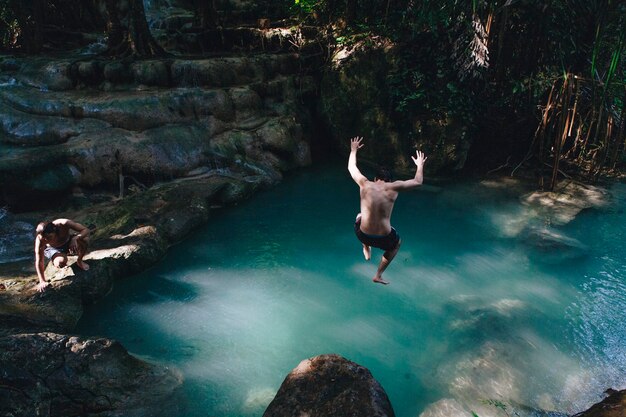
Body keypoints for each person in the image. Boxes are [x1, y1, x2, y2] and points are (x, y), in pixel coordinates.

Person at [348, 136, 427, 285]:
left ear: (375, 177)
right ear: (389, 181)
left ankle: (366, 247)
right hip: (383, 238)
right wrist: (419, 165)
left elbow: (351, 168)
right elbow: (418, 181)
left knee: (360, 215)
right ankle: (378, 275)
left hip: (361, 234)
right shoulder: (394, 187)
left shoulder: (364, 183)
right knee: (397, 244)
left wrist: (353, 150)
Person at [34, 218, 91, 292]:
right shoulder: (40, 239)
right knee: (60, 262)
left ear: (54, 230)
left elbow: (85, 230)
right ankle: (57, 258)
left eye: (49, 237)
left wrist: (75, 238)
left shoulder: (63, 223)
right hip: (53, 249)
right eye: (44, 238)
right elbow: (39, 260)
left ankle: (79, 261)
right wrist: (42, 281)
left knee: (84, 240)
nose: (46, 240)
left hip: (68, 241)